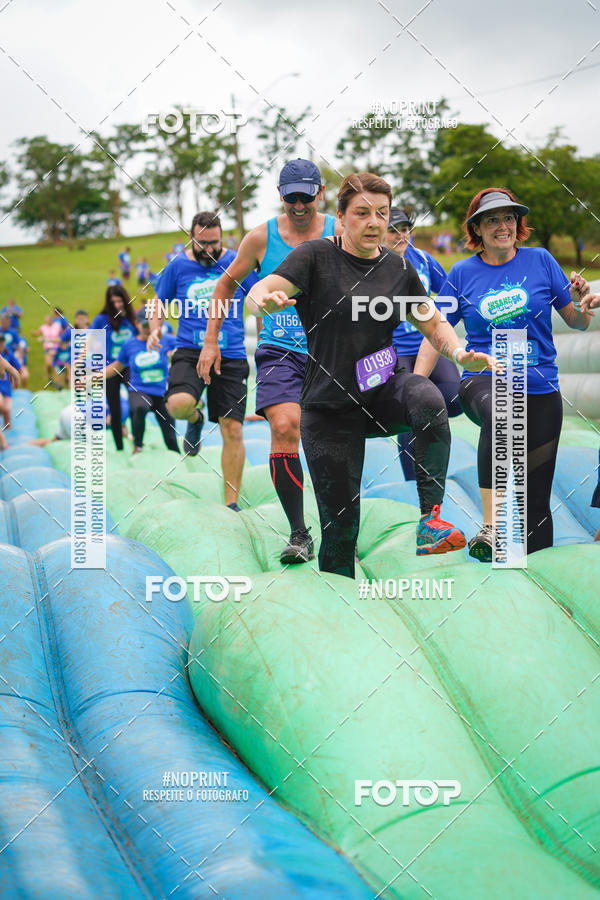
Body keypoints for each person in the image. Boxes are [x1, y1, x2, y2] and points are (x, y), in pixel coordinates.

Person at [245, 172, 500, 579]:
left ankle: (430, 521)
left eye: (381, 213)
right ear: (341, 218)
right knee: (341, 535)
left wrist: (457, 351)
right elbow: (263, 288)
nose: (375, 222)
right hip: (329, 407)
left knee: (426, 397)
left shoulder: (398, 270)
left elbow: (432, 322)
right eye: (362, 213)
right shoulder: (314, 256)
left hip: (381, 393)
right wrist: (266, 299)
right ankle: (337, 609)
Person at [416, 187, 598, 561]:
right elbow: (435, 330)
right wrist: (418, 382)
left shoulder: (542, 261)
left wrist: (584, 303)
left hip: (541, 387)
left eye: (510, 218)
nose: (504, 225)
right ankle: (493, 527)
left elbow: (576, 322)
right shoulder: (462, 273)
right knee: (502, 412)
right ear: (477, 228)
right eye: (493, 219)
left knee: (535, 506)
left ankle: (540, 585)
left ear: (519, 224)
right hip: (484, 377)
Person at [199, 158, 340, 562]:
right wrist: (211, 342)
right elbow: (225, 285)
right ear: (280, 195)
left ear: (320, 194)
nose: (299, 205)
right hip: (280, 349)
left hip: (330, 350)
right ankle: (299, 533)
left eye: (306, 197)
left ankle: (340, 522)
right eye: (291, 197)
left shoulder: (338, 231)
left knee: (333, 437)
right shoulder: (260, 238)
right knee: (284, 425)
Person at [148, 211, 256, 509]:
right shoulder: (178, 266)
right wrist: (155, 328)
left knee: (232, 428)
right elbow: (158, 302)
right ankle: (196, 419)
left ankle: (231, 503)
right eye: (202, 243)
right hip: (190, 350)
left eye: (214, 243)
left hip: (231, 354)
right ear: (192, 239)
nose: (209, 249)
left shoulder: (237, 260)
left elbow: (260, 294)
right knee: (177, 405)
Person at [383, 207, 461, 481]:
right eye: (393, 230)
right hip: (395, 350)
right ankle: (413, 480)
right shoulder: (373, 264)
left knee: (454, 398)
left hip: (429, 344)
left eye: (404, 229)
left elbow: (451, 290)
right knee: (410, 406)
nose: (400, 235)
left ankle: (432, 443)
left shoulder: (424, 259)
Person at [99, 308, 179, 454]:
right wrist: (93, 377)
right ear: (137, 324)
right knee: (141, 407)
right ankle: (138, 445)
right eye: (145, 326)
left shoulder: (166, 340)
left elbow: (187, 345)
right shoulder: (130, 345)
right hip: (139, 390)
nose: (148, 330)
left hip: (161, 393)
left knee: (171, 439)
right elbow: (116, 367)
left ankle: (176, 454)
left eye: (151, 326)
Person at [92, 285, 138, 450]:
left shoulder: (131, 318)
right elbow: (91, 342)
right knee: (115, 407)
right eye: (114, 302)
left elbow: (140, 336)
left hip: (128, 365)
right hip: (109, 367)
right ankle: (119, 446)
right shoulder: (101, 320)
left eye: (120, 301)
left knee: (136, 401)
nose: (117, 305)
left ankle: (137, 443)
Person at [0, 333, 22, 437]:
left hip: (6, 389)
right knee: (1, 405)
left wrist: (13, 371)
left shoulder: (8, 354)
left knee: (7, 410)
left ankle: (9, 433)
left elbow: (18, 368)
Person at [32, 313, 62, 384]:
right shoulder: (43, 327)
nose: (47, 322)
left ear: (51, 320)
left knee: (56, 365)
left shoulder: (57, 326)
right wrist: (34, 333)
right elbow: (37, 333)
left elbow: (62, 334)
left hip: (56, 348)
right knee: (49, 364)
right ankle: (50, 377)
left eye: (48, 320)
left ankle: (57, 382)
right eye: (46, 321)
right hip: (47, 348)